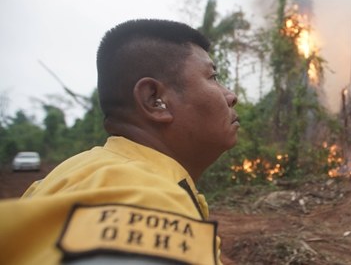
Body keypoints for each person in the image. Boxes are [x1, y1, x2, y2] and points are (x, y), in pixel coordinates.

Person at [0, 19, 239, 264]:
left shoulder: (77, 170)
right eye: (212, 77)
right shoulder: (146, 199)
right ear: (154, 100)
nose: (231, 96)